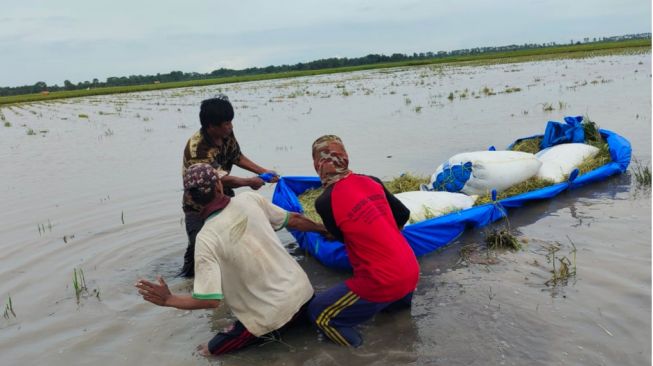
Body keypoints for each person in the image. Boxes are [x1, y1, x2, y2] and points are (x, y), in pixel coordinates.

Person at [136, 163, 328, 356]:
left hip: (271, 317)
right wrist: (326, 230)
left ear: (190, 198)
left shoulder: (206, 239)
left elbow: (209, 301)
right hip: (304, 296)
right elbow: (294, 219)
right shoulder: (250, 199)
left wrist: (169, 299)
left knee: (205, 352)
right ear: (219, 186)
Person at [307, 135, 420, 347]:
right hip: (411, 270)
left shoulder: (325, 201)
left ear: (317, 164)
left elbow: (343, 237)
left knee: (320, 314)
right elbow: (402, 214)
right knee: (395, 319)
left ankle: (360, 355)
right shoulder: (372, 181)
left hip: (383, 279)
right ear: (345, 158)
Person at [180, 95, 278, 277]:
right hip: (199, 205)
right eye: (226, 123)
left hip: (224, 198)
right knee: (199, 247)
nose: (230, 127)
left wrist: (263, 171)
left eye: (230, 122)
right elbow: (219, 178)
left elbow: (237, 156)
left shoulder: (225, 134)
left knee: (235, 238)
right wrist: (249, 182)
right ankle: (188, 280)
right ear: (210, 126)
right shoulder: (198, 149)